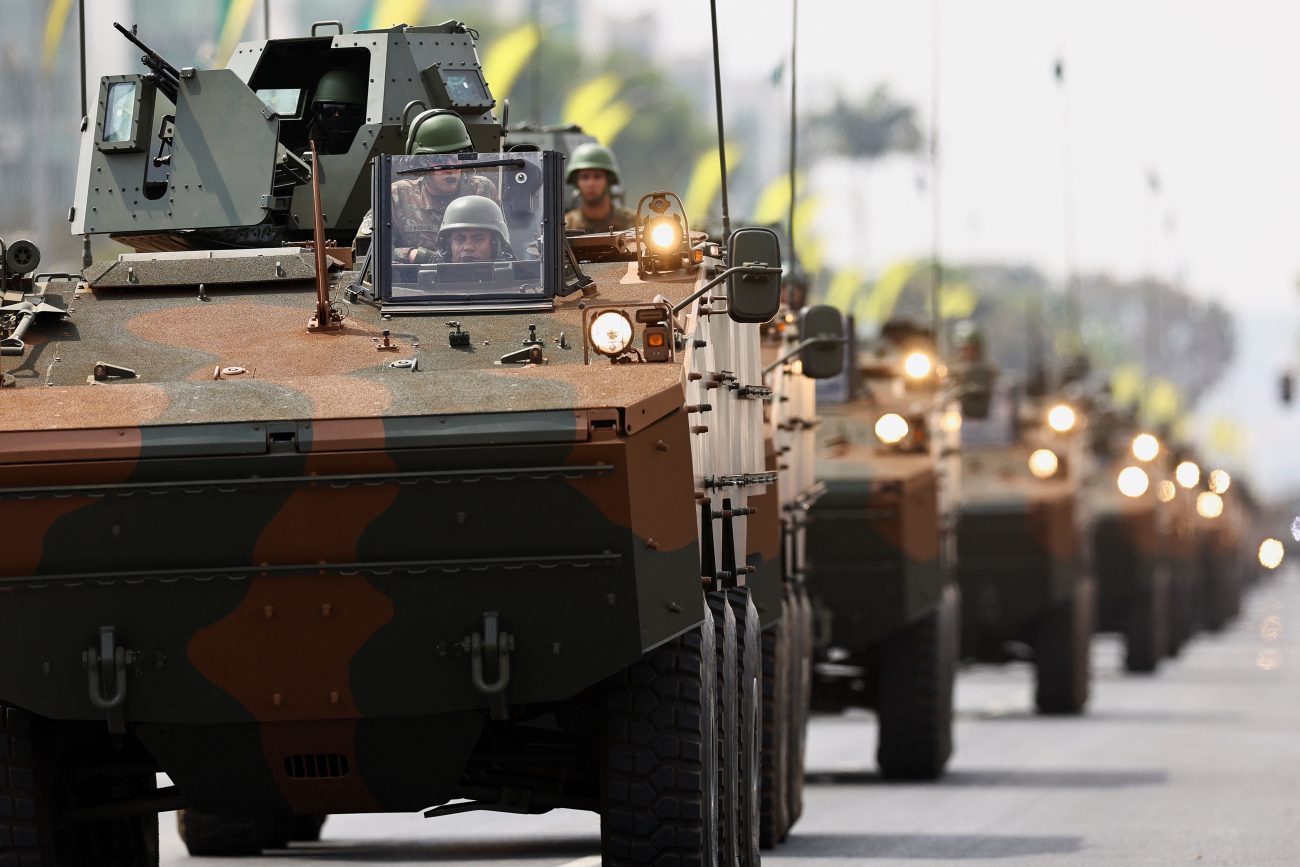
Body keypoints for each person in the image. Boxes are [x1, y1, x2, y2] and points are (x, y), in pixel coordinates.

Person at [354, 111, 497, 262]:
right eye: (439, 159)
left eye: (457, 156)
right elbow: (365, 251)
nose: (450, 167)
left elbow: (503, 245)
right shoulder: (397, 196)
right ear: (422, 163)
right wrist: (414, 255)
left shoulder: (482, 190)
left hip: (475, 281)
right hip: (412, 284)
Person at [563, 142, 635, 233]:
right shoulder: (566, 226)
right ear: (576, 182)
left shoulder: (633, 223)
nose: (591, 184)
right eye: (585, 177)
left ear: (608, 181)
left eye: (597, 177)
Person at [436, 195, 514, 263]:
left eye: (479, 239)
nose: (468, 247)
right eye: (460, 239)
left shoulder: (518, 278)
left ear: (496, 247)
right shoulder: (430, 279)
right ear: (448, 247)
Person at [305, 69, 366, 154]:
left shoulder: (374, 159)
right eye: (328, 108)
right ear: (317, 112)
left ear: (358, 113)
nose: (336, 115)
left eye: (343, 109)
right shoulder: (299, 160)